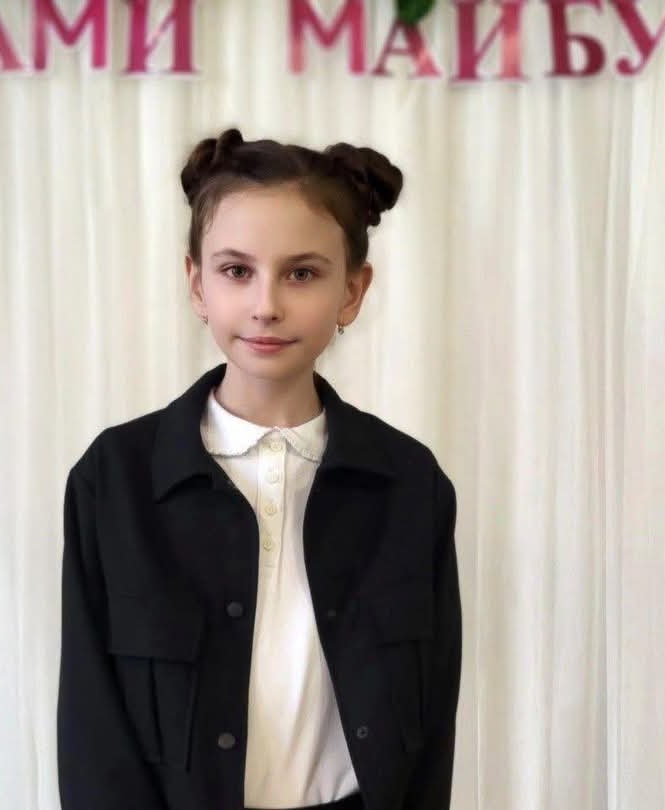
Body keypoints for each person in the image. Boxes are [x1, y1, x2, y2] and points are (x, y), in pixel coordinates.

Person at [57, 127, 461, 810]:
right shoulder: (116, 480)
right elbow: (93, 735)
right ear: (197, 284)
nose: (266, 304)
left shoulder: (410, 483)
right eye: (237, 271)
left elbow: (430, 728)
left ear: (352, 291)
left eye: (301, 273)